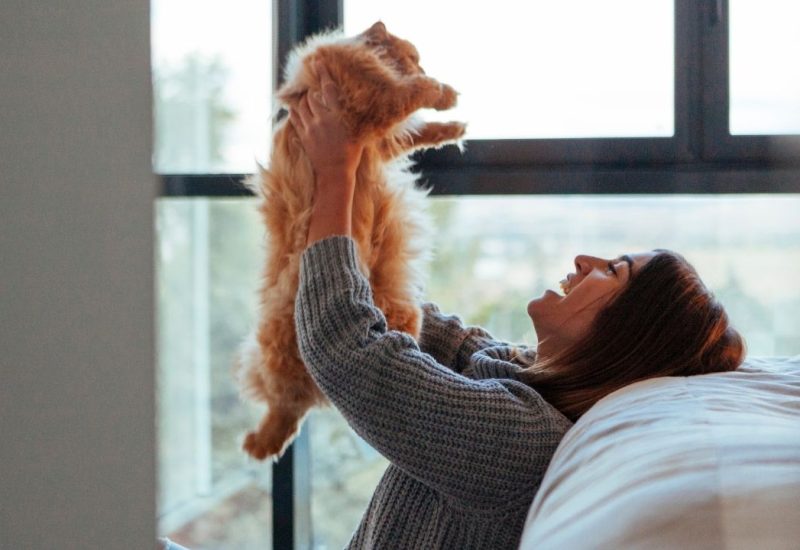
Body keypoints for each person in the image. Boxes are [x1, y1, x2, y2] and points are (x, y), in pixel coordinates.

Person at [288, 62, 745, 549]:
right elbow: (420, 322)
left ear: (627, 332)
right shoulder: (520, 374)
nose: (584, 259)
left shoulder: (522, 439)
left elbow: (348, 348)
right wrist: (361, 162)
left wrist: (334, 173)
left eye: (612, 271)